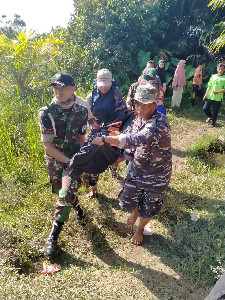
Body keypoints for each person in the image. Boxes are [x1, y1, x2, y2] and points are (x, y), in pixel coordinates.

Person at [92, 83, 172, 245]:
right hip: (138, 166)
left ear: (154, 104)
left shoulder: (159, 123)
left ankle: (139, 230)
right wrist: (119, 157)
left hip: (157, 173)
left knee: (149, 205)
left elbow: (136, 139)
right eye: (137, 103)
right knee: (129, 199)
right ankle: (135, 213)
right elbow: (129, 136)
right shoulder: (138, 118)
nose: (139, 107)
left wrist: (105, 139)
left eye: (144, 104)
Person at [38, 72, 88, 256]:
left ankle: (53, 238)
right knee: (61, 192)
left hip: (73, 161)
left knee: (65, 194)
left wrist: (84, 160)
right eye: (55, 87)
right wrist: (69, 161)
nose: (58, 91)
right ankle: (79, 209)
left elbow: (82, 138)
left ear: (73, 88)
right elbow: (48, 147)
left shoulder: (81, 111)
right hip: (55, 160)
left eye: (62, 87)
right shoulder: (46, 113)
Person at [85, 68, 128, 197]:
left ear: (111, 83)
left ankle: (113, 167)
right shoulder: (91, 96)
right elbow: (87, 115)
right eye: (101, 86)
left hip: (112, 126)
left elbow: (123, 105)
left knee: (112, 151)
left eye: (106, 86)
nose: (104, 89)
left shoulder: (116, 92)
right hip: (96, 126)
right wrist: (93, 126)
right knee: (94, 157)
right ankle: (94, 188)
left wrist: (122, 108)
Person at [203, 63, 225, 127]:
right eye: (219, 69)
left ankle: (213, 123)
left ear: (224, 70)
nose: (220, 70)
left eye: (222, 69)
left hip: (218, 98)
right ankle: (210, 116)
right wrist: (205, 94)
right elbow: (209, 86)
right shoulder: (213, 76)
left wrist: (218, 92)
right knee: (205, 108)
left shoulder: (224, 78)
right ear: (217, 69)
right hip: (210, 96)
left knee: (215, 111)